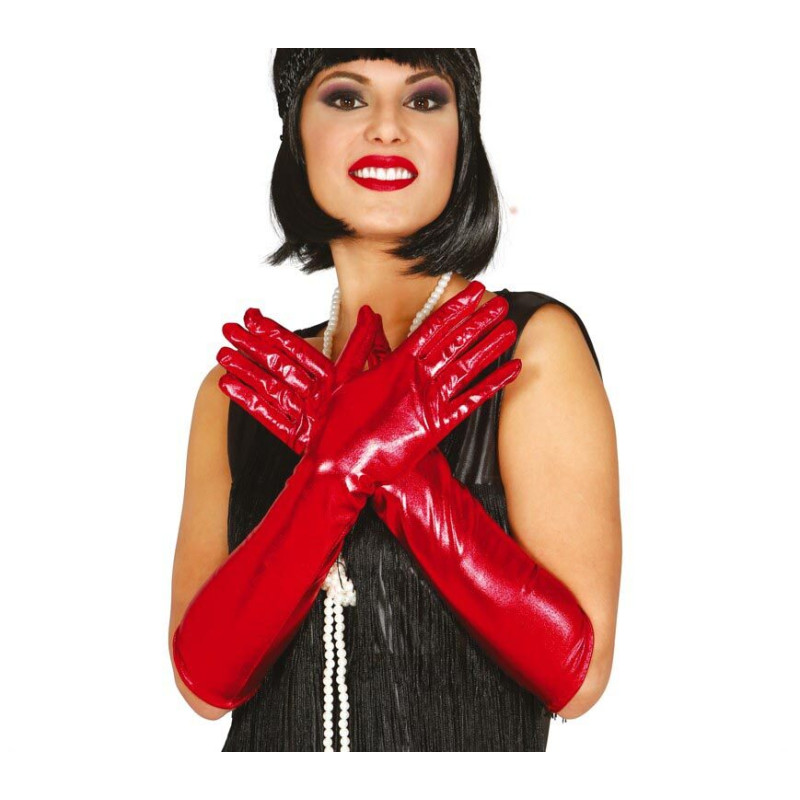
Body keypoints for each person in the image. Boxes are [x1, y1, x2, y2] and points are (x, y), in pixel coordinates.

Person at [168, 48, 621, 752]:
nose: (387, 126)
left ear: (462, 138)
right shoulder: (243, 390)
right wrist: (335, 471)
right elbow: (203, 685)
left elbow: (578, 678)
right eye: (346, 98)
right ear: (295, 134)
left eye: (424, 99)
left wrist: (394, 466)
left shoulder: (527, 347)